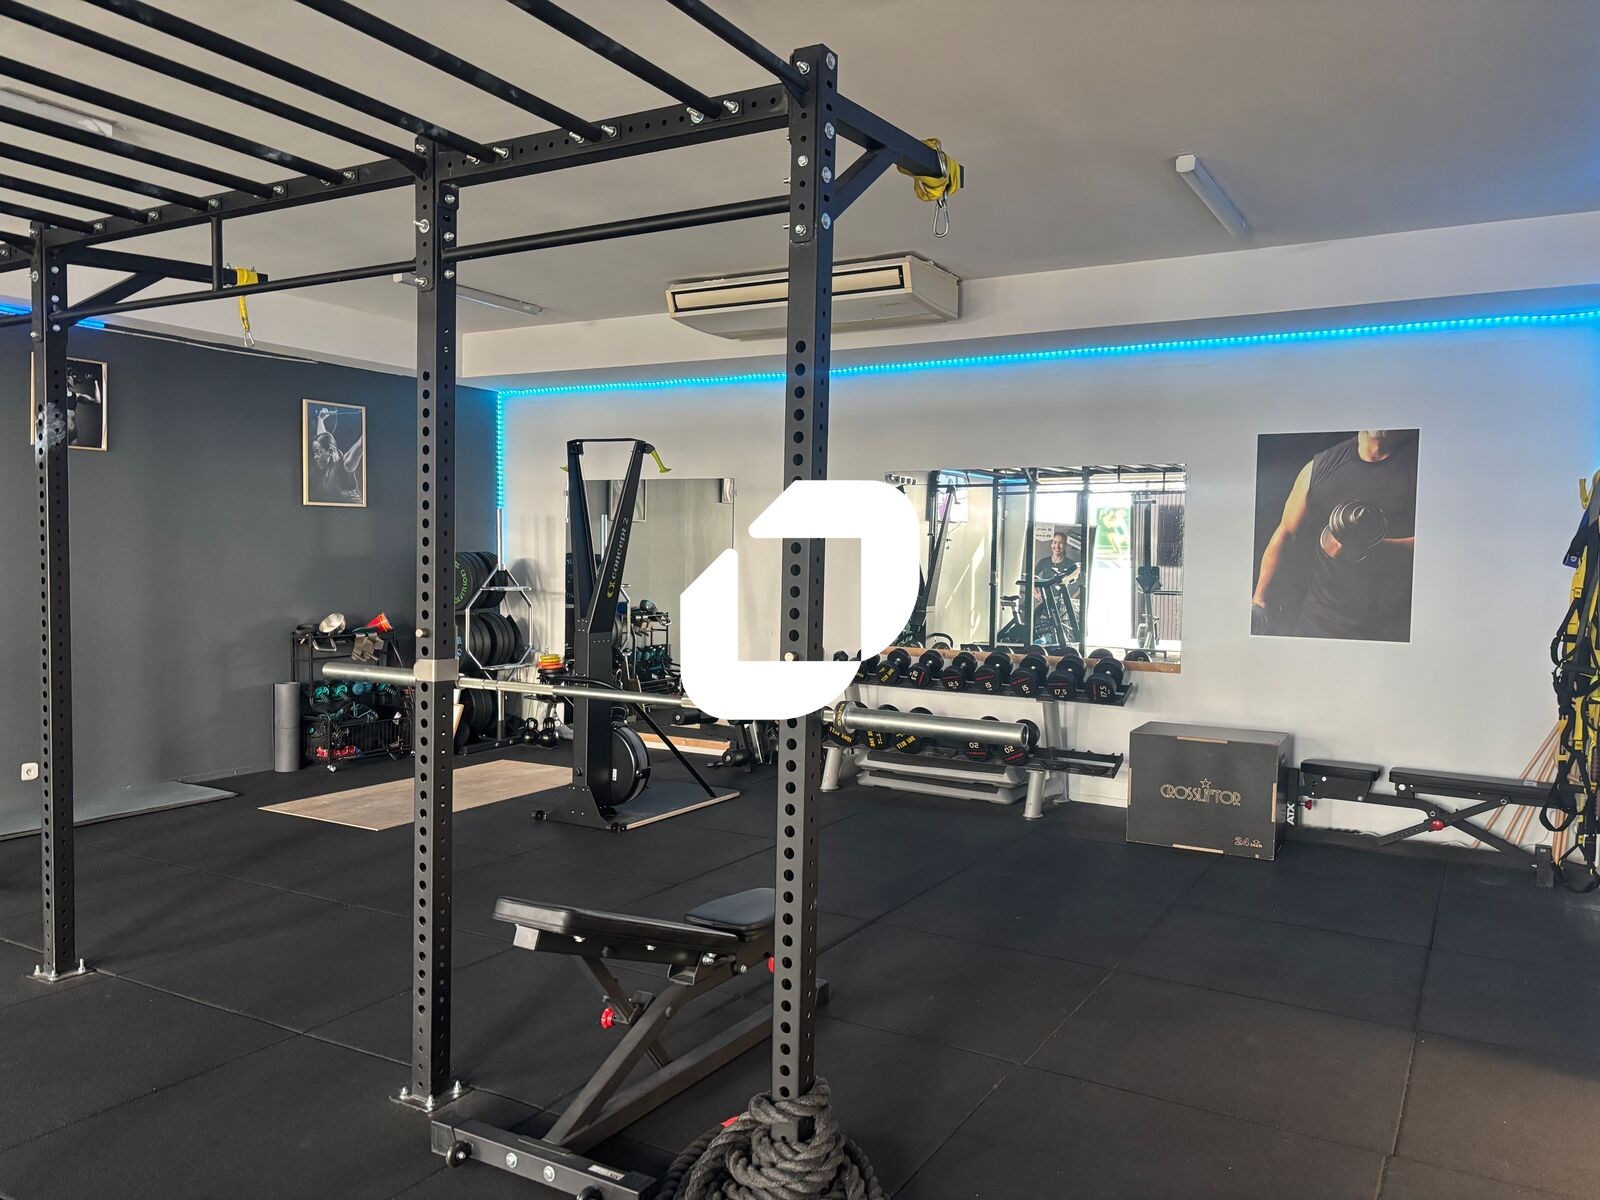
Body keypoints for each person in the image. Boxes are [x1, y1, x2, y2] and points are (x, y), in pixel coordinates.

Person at [1252, 429, 1417, 640]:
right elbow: (1285, 534)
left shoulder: (1422, 468)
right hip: (1320, 622)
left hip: (1391, 628)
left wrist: (1374, 548)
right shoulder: (1321, 467)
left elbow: (1439, 545)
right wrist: (1259, 599)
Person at [308, 406, 364, 504]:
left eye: (317, 452)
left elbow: (360, 447)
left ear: (330, 451)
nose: (315, 457)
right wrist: (321, 419)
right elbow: (323, 437)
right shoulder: (327, 458)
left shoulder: (346, 464)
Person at [1033, 530, 1081, 600]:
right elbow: (1031, 578)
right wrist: (1036, 594)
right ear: (1051, 544)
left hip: (1061, 603)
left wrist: (1071, 599)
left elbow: (1083, 583)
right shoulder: (1043, 562)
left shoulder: (1071, 564)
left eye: (1061, 543)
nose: (1057, 546)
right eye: (1055, 542)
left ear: (1065, 545)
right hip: (1045, 602)